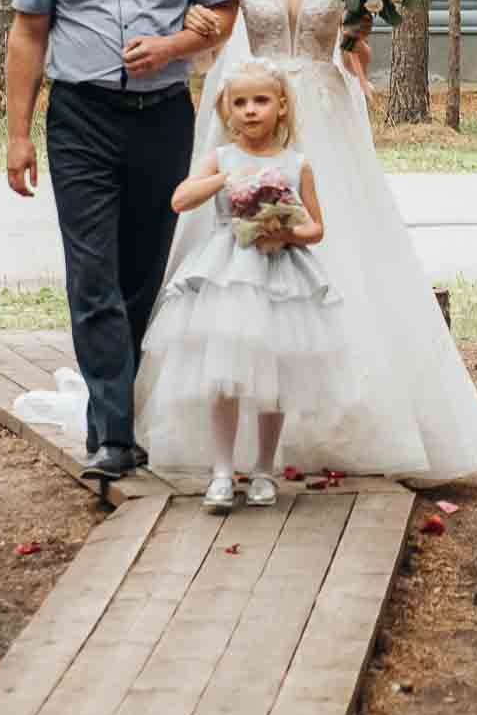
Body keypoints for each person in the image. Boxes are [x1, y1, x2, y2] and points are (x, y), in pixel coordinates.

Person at [171, 0, 477, 483]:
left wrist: (359, 50)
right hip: (260, 110)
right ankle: (241, 425)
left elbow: (355, 44)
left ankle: (353, 411)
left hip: (324, 112)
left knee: (345, 248)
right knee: (249, 256)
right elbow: (214, 31)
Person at [5, 0, 238, 482]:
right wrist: (17, 134)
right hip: (80, 117)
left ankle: (119, 410)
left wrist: (171, 47)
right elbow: (28, 31)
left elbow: (223, 10)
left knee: (142, 273)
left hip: (163, 115)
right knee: (93, 273)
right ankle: (113, 433)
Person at [136, 61, 350, 510]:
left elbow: (317, 228)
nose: (251, 111)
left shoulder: (296, 164)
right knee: (225, 375)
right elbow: (180, 199)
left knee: (272, 376)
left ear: (282, 107)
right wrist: (225, 179)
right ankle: (219, 471)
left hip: (279, 277)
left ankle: (263, 470)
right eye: (240, 103)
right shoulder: (222, 159)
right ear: (226, 110)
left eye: (261, 101)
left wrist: (286, 231)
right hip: (229, 274)